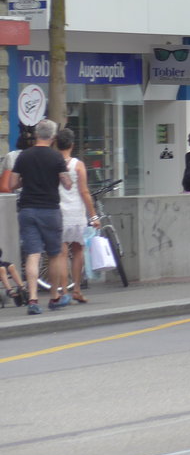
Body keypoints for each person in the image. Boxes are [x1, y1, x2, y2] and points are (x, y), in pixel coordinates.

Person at [11, 119, 70, 314]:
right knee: (53, 255)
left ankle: (33, 301)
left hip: (27, 210)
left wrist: (27, 181)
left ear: (36, 135)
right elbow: (67, 183)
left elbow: (12, 184)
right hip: (50, 210)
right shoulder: (56, 158)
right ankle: (54, 298)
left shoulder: (23, 156)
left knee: (33, 255)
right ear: (52, 137)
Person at [54, 128, 99, 304]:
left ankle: (64, 291)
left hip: (59, 211)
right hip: (76, 212)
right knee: (78, 250)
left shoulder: (54, 163)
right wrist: (93, 215)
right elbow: (84, 191)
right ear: (72, 144)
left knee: (62, 253)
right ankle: (77, 289)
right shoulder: (77, 164)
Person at [1, 127, 34, 193]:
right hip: (32, 192)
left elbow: (2, 173)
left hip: (14, 193)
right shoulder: (38, 156)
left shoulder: (11, 155)